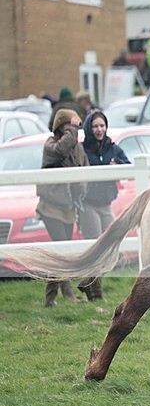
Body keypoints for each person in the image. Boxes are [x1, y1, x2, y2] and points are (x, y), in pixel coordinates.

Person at [35, 109, 89, 306]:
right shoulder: (51, 145)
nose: (73, 132)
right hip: (50, 208)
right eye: (69, 127)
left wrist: (81, 190)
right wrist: (72, 129)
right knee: (63, 251)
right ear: (60, 126)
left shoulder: (77, 147)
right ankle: (68, 295)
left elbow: (85, 169)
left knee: (60, 252)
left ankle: (50, 299)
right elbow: (61, 151)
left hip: (68, 208)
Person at [77, 110, 130, 301]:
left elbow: (128, 165)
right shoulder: (82, 148)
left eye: (102, 126)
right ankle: (96, 294)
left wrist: (117, 167)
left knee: (110, 245)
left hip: (106, 204)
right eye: (95, 126)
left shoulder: (112, 147)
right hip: (88, 204)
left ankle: (86, 282)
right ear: (89, 129)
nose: (99, 130)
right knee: (95, 246)